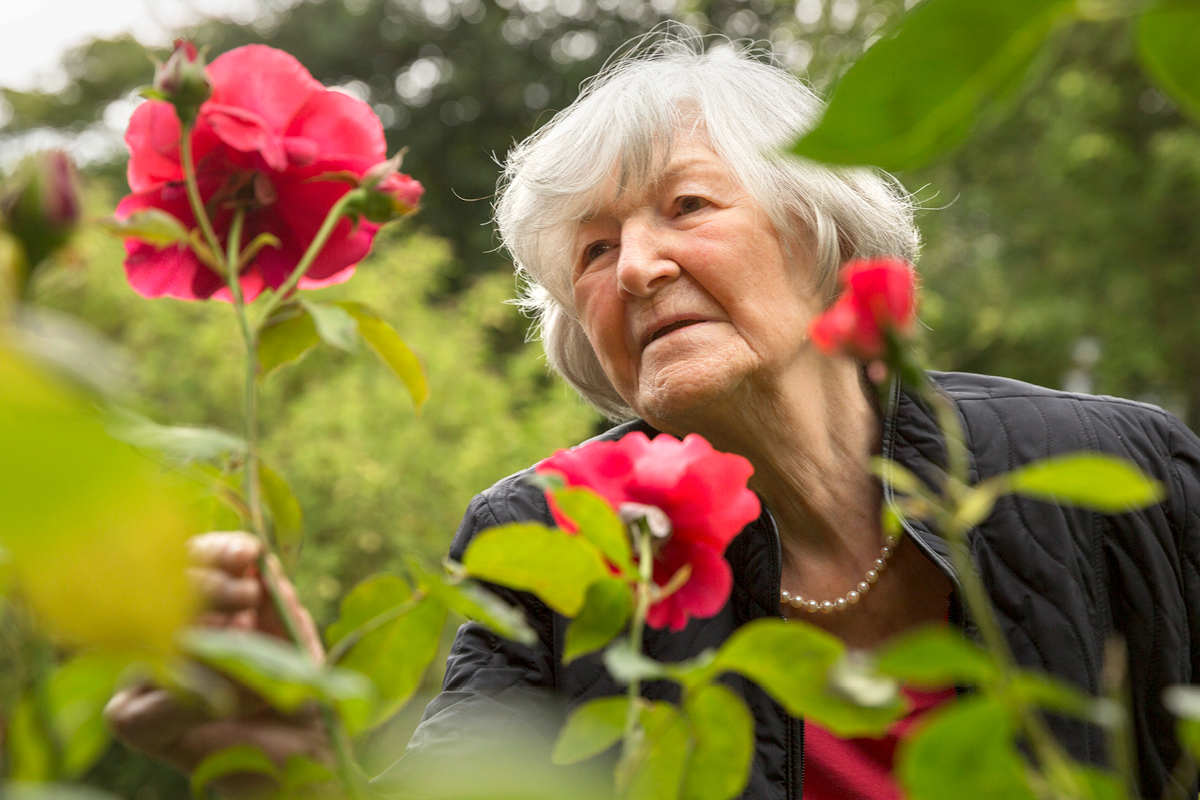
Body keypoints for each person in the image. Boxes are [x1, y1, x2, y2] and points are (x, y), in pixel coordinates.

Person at [107, 33, 1200, 800]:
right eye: (592, 249)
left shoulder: (1120, 467)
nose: (635, 266)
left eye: (685, 205)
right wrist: (293, 756)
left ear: (817, 235)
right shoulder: (543, 537)